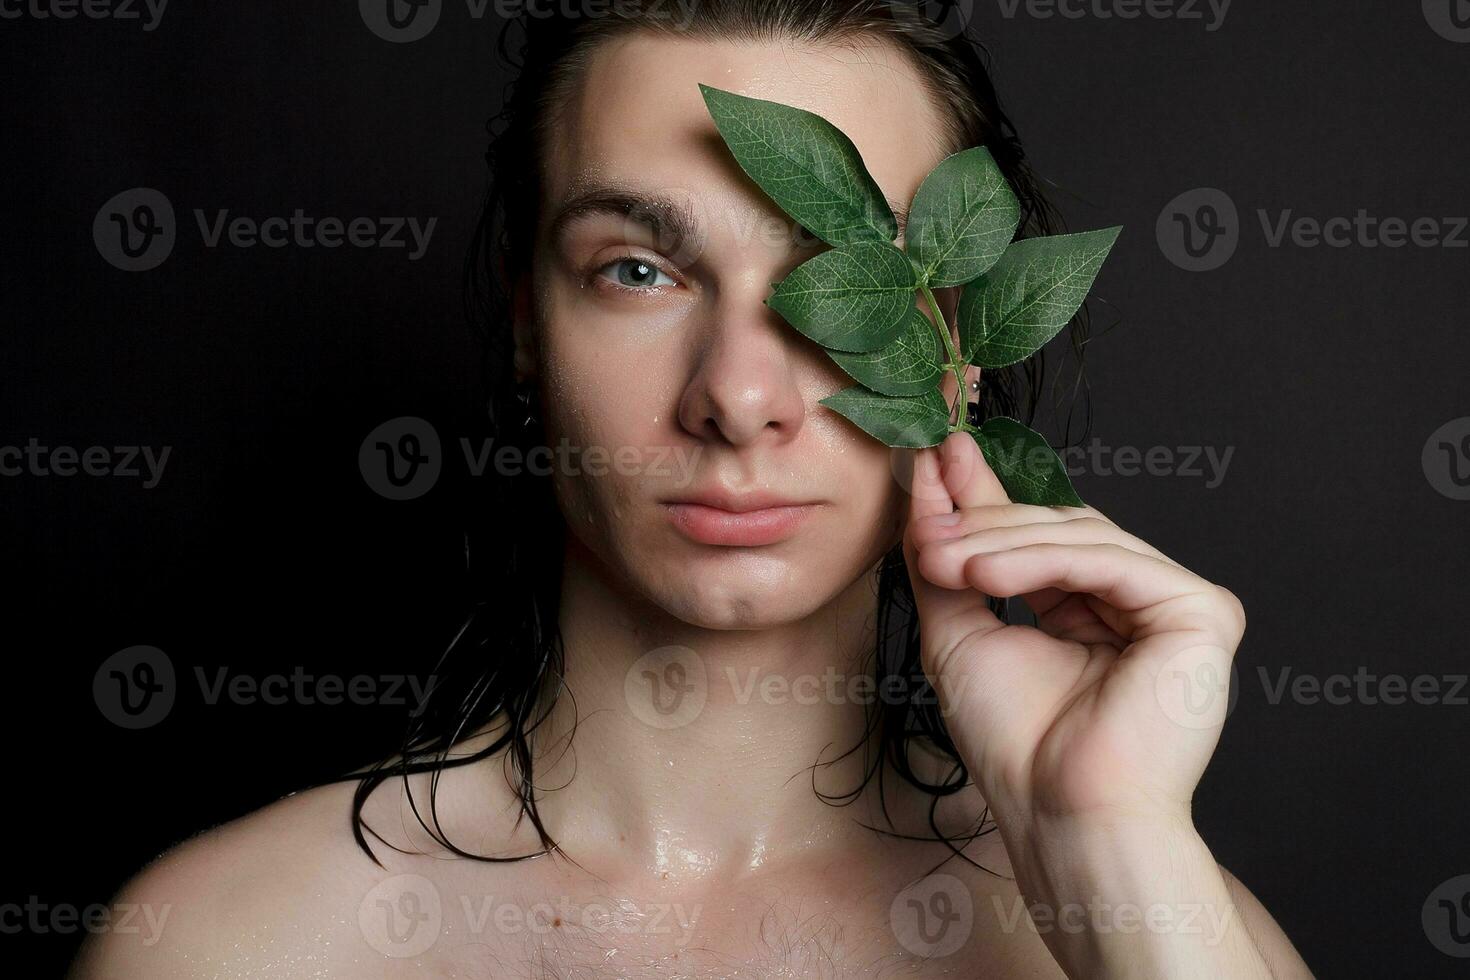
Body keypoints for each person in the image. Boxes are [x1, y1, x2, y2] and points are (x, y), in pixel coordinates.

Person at [70, 2, 1314, 976]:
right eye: (637, 271)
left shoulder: (1161, 924)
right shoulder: (235, 946)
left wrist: (1111, 855)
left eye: (844, 285)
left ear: (961, 354)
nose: (736, 395)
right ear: (527, 326)